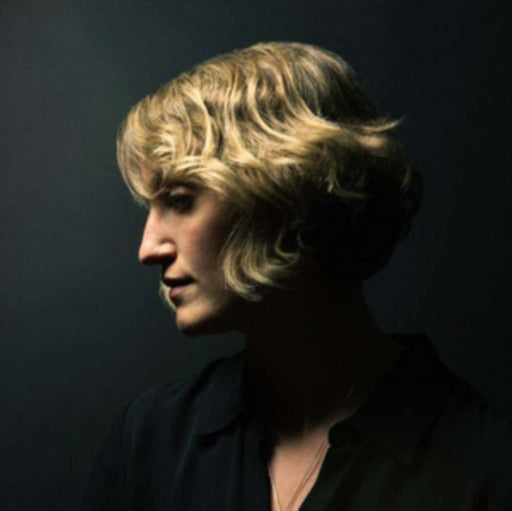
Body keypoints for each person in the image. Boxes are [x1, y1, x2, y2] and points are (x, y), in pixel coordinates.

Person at [83, 42, 512, 510]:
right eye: (152, 207)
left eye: (181, 201)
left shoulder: (483, 466)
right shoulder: (151, 441)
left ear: (286, 198)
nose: (148, 249)